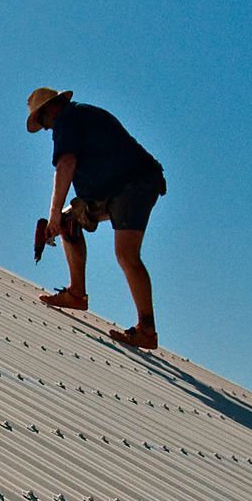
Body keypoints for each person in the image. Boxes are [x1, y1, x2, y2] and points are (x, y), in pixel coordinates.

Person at [26, 86, 165, 349]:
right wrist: (61, 218)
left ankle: (146, 330)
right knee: (70, 222)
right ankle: (76, 294)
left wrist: (54, 212)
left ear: (51, 109)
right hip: (113, 189)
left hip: (133, 184)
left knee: (126, 253)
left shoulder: (67, 120)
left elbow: (66, 164)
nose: (45, 128)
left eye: (42, 120)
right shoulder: (79, 118)